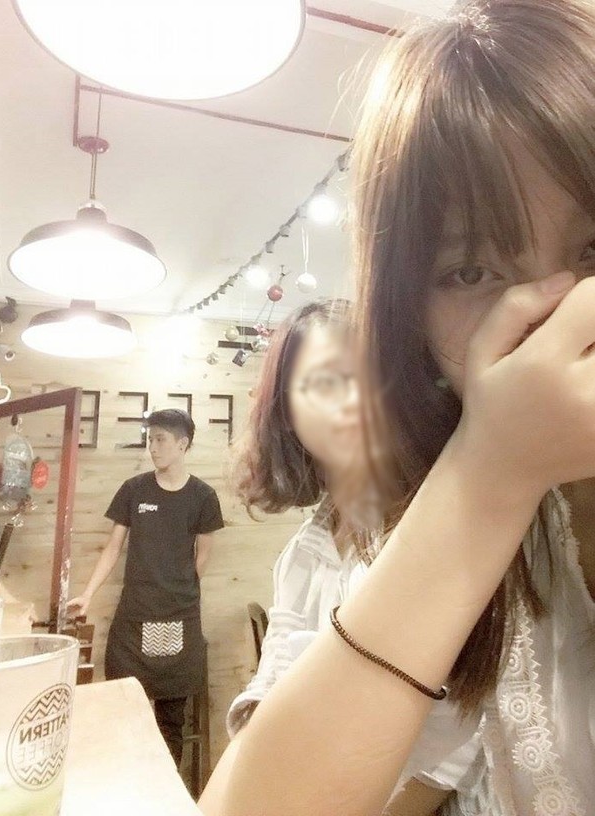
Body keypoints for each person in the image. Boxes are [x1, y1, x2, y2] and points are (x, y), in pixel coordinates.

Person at [197, 2, 595, 815]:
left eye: (594, 250)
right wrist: (490, 476)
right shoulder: (422, 521)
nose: (558, 317)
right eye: (472, 271)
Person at [200, 300, 379, 806]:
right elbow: (269, 687)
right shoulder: (303, 552)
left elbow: (451, 747)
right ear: (287, 412)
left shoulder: (415, 529)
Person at [68, 408, 223, 767]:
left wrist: (176, 587)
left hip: (179, 618)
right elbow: (113, 548)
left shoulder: (203, 496)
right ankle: (126, 783)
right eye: (150, 439)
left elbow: (203, 556)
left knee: (171, 720)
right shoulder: (134, 490)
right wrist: (88, 594)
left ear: (182, 444)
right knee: (123, 708)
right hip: (134, 615)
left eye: (160, 439)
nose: (152, 447)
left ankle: (166, 789)